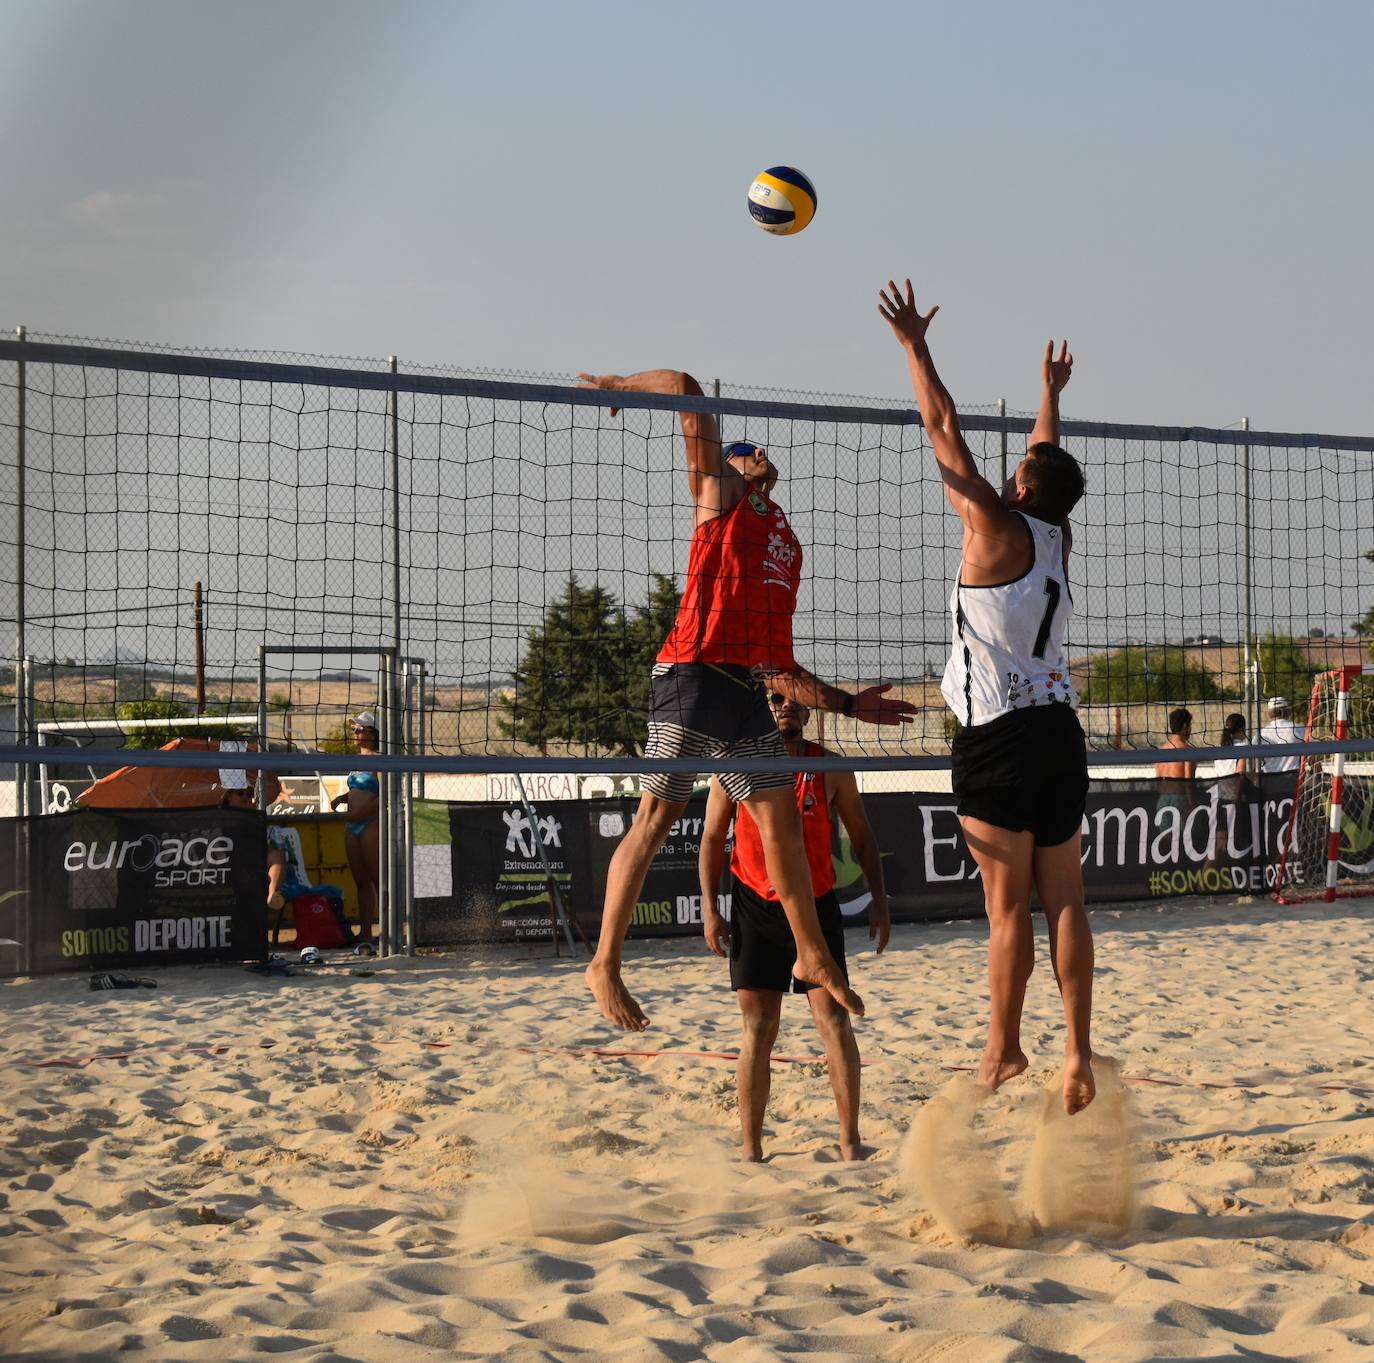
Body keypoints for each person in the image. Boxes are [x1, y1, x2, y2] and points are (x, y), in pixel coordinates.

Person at [576, 366, 916, 1032]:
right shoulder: (718, 496)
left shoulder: (784, 540)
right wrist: (622, 383)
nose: (753, 454)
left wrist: (847, 705)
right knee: (654, 818)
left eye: (755, 453)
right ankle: (605, 962)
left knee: (781, 822)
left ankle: (814, 954)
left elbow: (776, 663)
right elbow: (686, 387)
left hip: (743, 690)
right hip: (692, 674)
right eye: (740, 452)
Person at [878, 277, 1095, 1115]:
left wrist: (914, 345)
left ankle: (1004, 1046)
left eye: (1015, 472)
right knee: (1064, 901)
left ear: (1020, 490)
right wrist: (1047, 395)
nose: (1008, 473)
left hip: (997, 737)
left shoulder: (995, 527)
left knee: (1008, 913)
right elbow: (1047, 467)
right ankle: (1076, 1050)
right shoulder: (1054, 532)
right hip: (1058, 730)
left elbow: (942, 428)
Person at [699, 690, 890, 1161]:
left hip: (815, 906)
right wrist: (709, 908)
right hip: (754, 904)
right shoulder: (735, 767)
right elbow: (710, 839)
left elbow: (862, 837)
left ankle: (850, 1142)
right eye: (773, 699)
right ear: (761, 709)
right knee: (759, 1028)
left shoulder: (830, 768)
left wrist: (880, 899)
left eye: (792, 701)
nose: (784, 706)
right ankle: (751, 1150)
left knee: (835, 1021)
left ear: (808, 711)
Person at [329, 710, 381, 948]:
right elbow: (358, 791)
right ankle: (366, 931)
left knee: (379, 880)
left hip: (370, 823)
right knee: (360, 881)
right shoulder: (355, 761)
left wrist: (358, 813)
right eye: (354, 729)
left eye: (360, 729)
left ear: (373, 733)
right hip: (353, 824)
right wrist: (342, 798)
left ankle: (391, 928)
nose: (356, 732)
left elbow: (383, 797)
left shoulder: (380, 759)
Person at [1155, 707, 1197, 816]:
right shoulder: (1187, 750)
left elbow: (1158, 779)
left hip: (1163, 799)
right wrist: (1192, 803)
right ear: (1184, 726)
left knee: (1166, 833)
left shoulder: (1162, 750)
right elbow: (1188, 780)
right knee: (1183, 833)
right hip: (1180, 798)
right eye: (1190, 725)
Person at [1259, 696, 1304, 774]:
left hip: (1268, 779)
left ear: (1269, 714)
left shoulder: (1261, 734)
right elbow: (1311, 757)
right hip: (1293, 779)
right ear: (1288, 712)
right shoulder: (1299, 729)